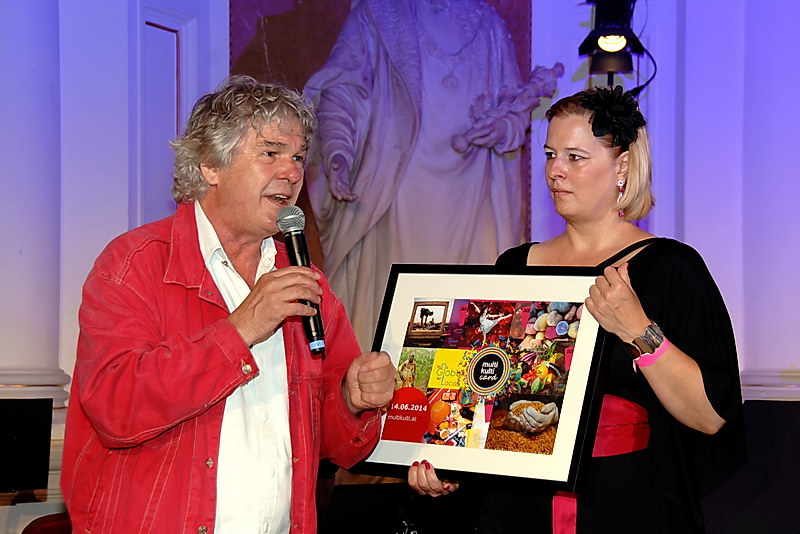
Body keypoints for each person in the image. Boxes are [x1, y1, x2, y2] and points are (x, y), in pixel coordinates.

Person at [60, 76, 396, 533]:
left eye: (299, 157)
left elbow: (336, 446)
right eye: (271, 153)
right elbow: (115, 408)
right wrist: (241, 330)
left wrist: (353, 400)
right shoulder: (135, 263)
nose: (292, 172)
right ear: (210, 165)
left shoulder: (307, 281)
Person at [408, 86, 745, 533]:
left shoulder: (670, 268)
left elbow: (711, 415)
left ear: (622, 166)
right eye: (550, 155)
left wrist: (638, 329)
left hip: (623, 502)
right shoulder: (514, 266)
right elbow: (481, 389)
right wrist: (452, 465)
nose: (555, 171)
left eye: (575, 157)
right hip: (515, 504)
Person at [304, 0, 530, 351]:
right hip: (398, 191)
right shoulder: (379, 13)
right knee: (398, 314)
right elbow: (342, 88)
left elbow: (513, 107)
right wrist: (338, 148)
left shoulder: (488, 24)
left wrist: (502, 127)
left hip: (473, 193)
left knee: (473, 313)